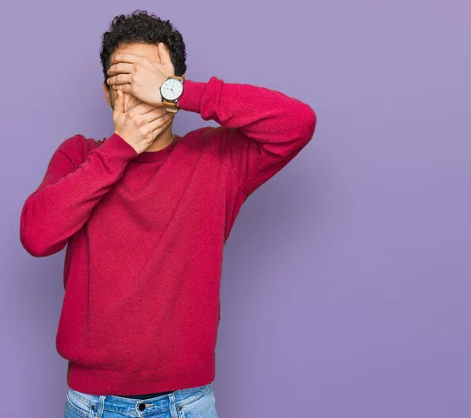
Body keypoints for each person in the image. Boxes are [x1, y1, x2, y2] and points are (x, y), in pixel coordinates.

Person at [20, 10, 317, 418]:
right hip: (93, 404)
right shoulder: (80, 156)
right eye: (123, 83)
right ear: (107, 94)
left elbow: (297, 123)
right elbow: (37, 236)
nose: (138, 96)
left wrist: (177, 90)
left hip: (187, 404)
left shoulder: (216, 160)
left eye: (149, 83)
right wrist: (121, 149)